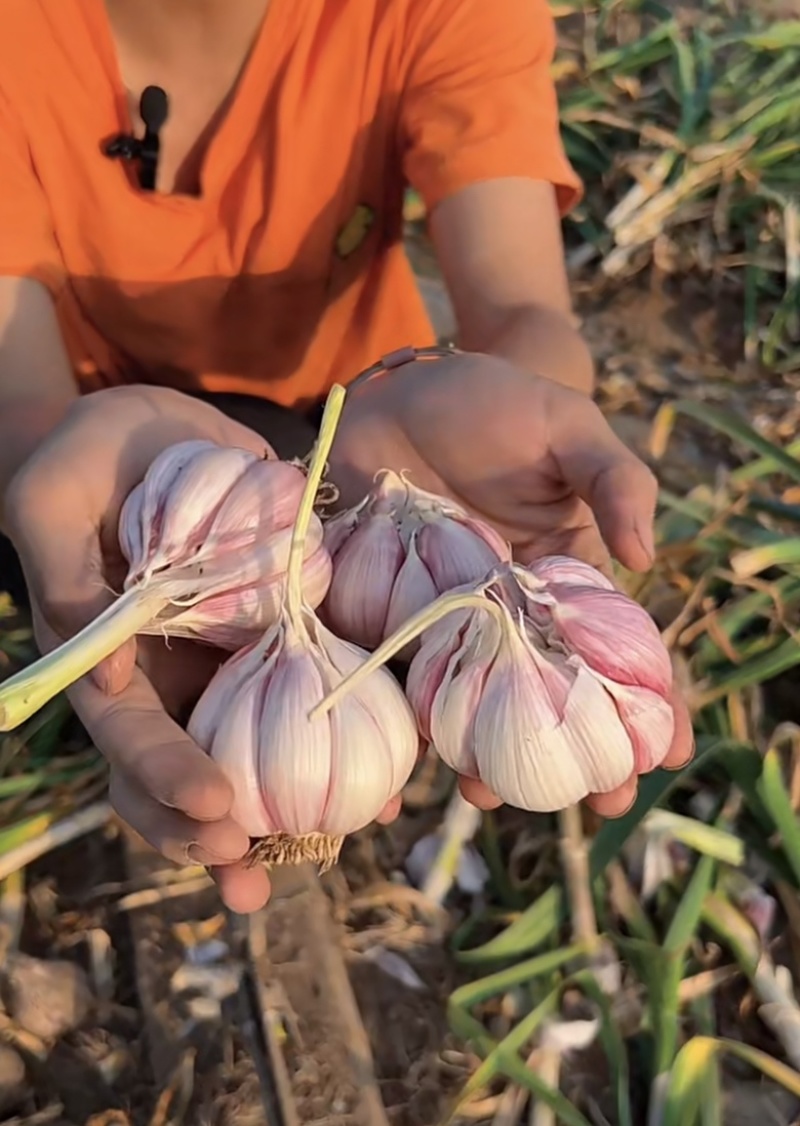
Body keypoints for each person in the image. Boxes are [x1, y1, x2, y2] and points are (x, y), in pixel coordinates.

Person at [0, 0, 692, 913]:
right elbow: (21, 400)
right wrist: (42, 467)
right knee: (54, 543)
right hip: (105, 470)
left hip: (363, 436)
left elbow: (524, 309)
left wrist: (522, 399)